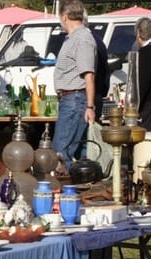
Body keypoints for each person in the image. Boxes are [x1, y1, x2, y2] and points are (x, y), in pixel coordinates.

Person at [52, 0, 97, 171]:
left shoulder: (82, 39)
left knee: (62, 152)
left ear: (64, 17)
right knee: (71, 149)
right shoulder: (74, 38)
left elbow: (89, 75)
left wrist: (90, 106)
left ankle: (66, 189)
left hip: (75, 98)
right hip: (71, 98)